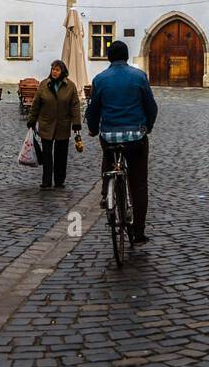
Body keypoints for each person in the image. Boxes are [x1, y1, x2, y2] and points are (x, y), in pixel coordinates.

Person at [84, 40, 157, 244]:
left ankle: (106, 189)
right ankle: (138, 232)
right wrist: (148, 126)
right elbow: (151, 106)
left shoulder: (100, 79)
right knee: (139, 183)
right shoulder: (139, 76)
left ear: (109, 57)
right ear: (126, 56)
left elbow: (93, 109)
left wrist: (92, 128)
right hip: (135, 137)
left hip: (109, 136)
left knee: (108, 155)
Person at [27, 59, 82, 189]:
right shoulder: (44, 85)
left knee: (61, 156)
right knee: (46, 155)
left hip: (63, 125)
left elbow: (75, 106)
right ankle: (46, 181)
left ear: (63, 72)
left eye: (57, 70)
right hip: (46, 125)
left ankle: (59, 181)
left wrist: (76, 124)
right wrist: (31, 121)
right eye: (53, 69)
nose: (54, 72)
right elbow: (36, 104)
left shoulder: (70, 86)